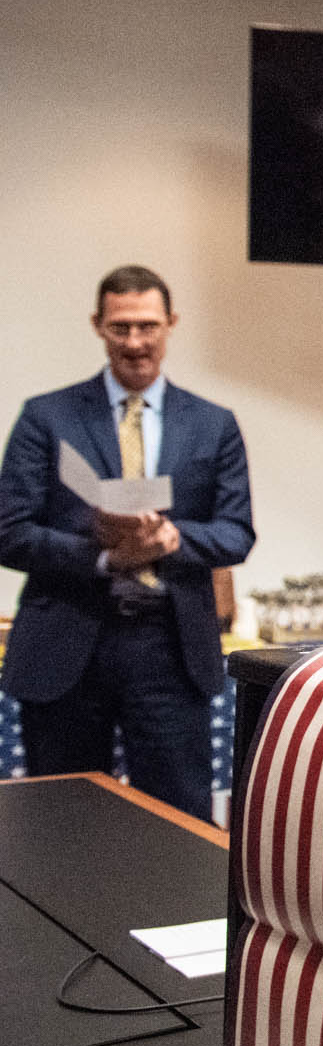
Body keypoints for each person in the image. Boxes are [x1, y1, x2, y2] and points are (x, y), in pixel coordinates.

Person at [0, 267, 255, 820]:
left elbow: (237, 533)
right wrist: (104, 556)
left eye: (147, 326)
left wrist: (171, 540)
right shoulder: (48, 416)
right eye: (121, 327)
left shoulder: (214, 424)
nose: (135, 342)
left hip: (169, 646)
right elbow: (10, 532)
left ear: (171, 325)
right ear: (98, 325)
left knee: (179, 819)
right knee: (59, 821)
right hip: (66, 641)